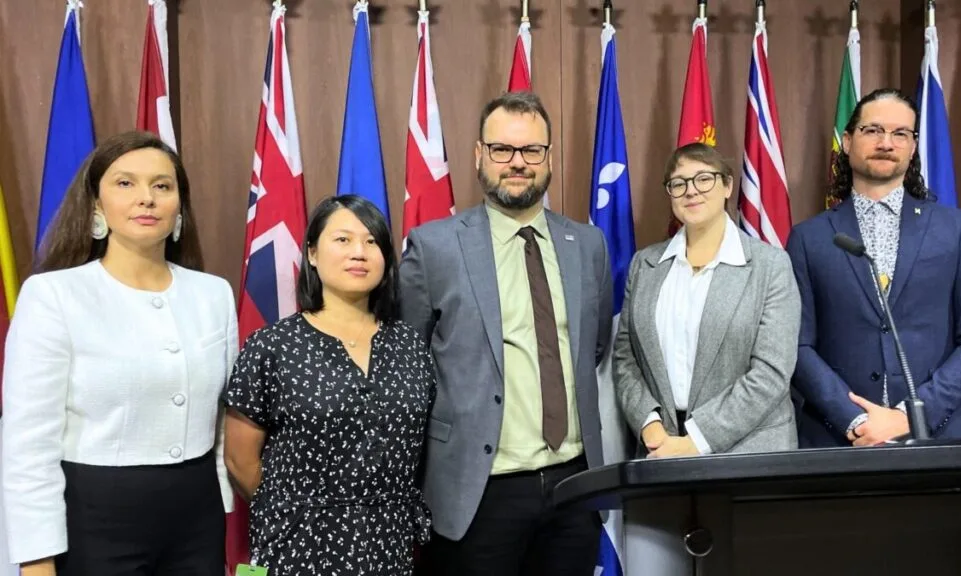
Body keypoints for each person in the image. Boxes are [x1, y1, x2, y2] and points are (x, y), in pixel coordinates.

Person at [2, 131, 235, 575]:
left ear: (180, 207)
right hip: (94, 517)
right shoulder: (54, 295)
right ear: (95, 204)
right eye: (125, 183)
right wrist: (36, 560)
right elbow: (29, 441)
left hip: (197, 516)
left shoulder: (213, 295)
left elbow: (221, 416)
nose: (146, 198)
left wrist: (222, 507)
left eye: (162, 186)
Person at [399, 91, 613, 575]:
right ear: (480, 155)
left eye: (531, 150)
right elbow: (410, 363)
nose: (517, 162)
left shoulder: (588, 245)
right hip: (477, 491)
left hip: (574, 486)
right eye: (502, 149)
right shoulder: (434, 248)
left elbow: (594, 346)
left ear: (549, 158)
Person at [223, 195, 433, 575]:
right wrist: (298, 511)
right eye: (343, 239)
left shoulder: (411, 345)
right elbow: (240, 460)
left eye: (372, 242)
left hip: (389, 543)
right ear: (313, 254)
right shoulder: (273, 346)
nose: (359, 252)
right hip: (297, 544)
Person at [787, 88, 961, 447]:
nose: (886, 143)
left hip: (939, 439)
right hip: (839, 441)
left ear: (913, 147)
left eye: (900, 133)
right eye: (873, 130)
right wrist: (856, 420)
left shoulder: (957, 229)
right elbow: (797, 346)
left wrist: (908, 417)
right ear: (847, 141)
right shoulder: (809, 239)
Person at [614, 142, 799, 458]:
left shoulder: (770, 266)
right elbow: (625, 356)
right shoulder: (644, 265)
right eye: (679, 183)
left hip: (749, 452)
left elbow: (772, 372)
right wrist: (650, 425)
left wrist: (695, 442)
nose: (691, 191)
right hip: (660, 448)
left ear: (727, 186)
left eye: (704, 178)